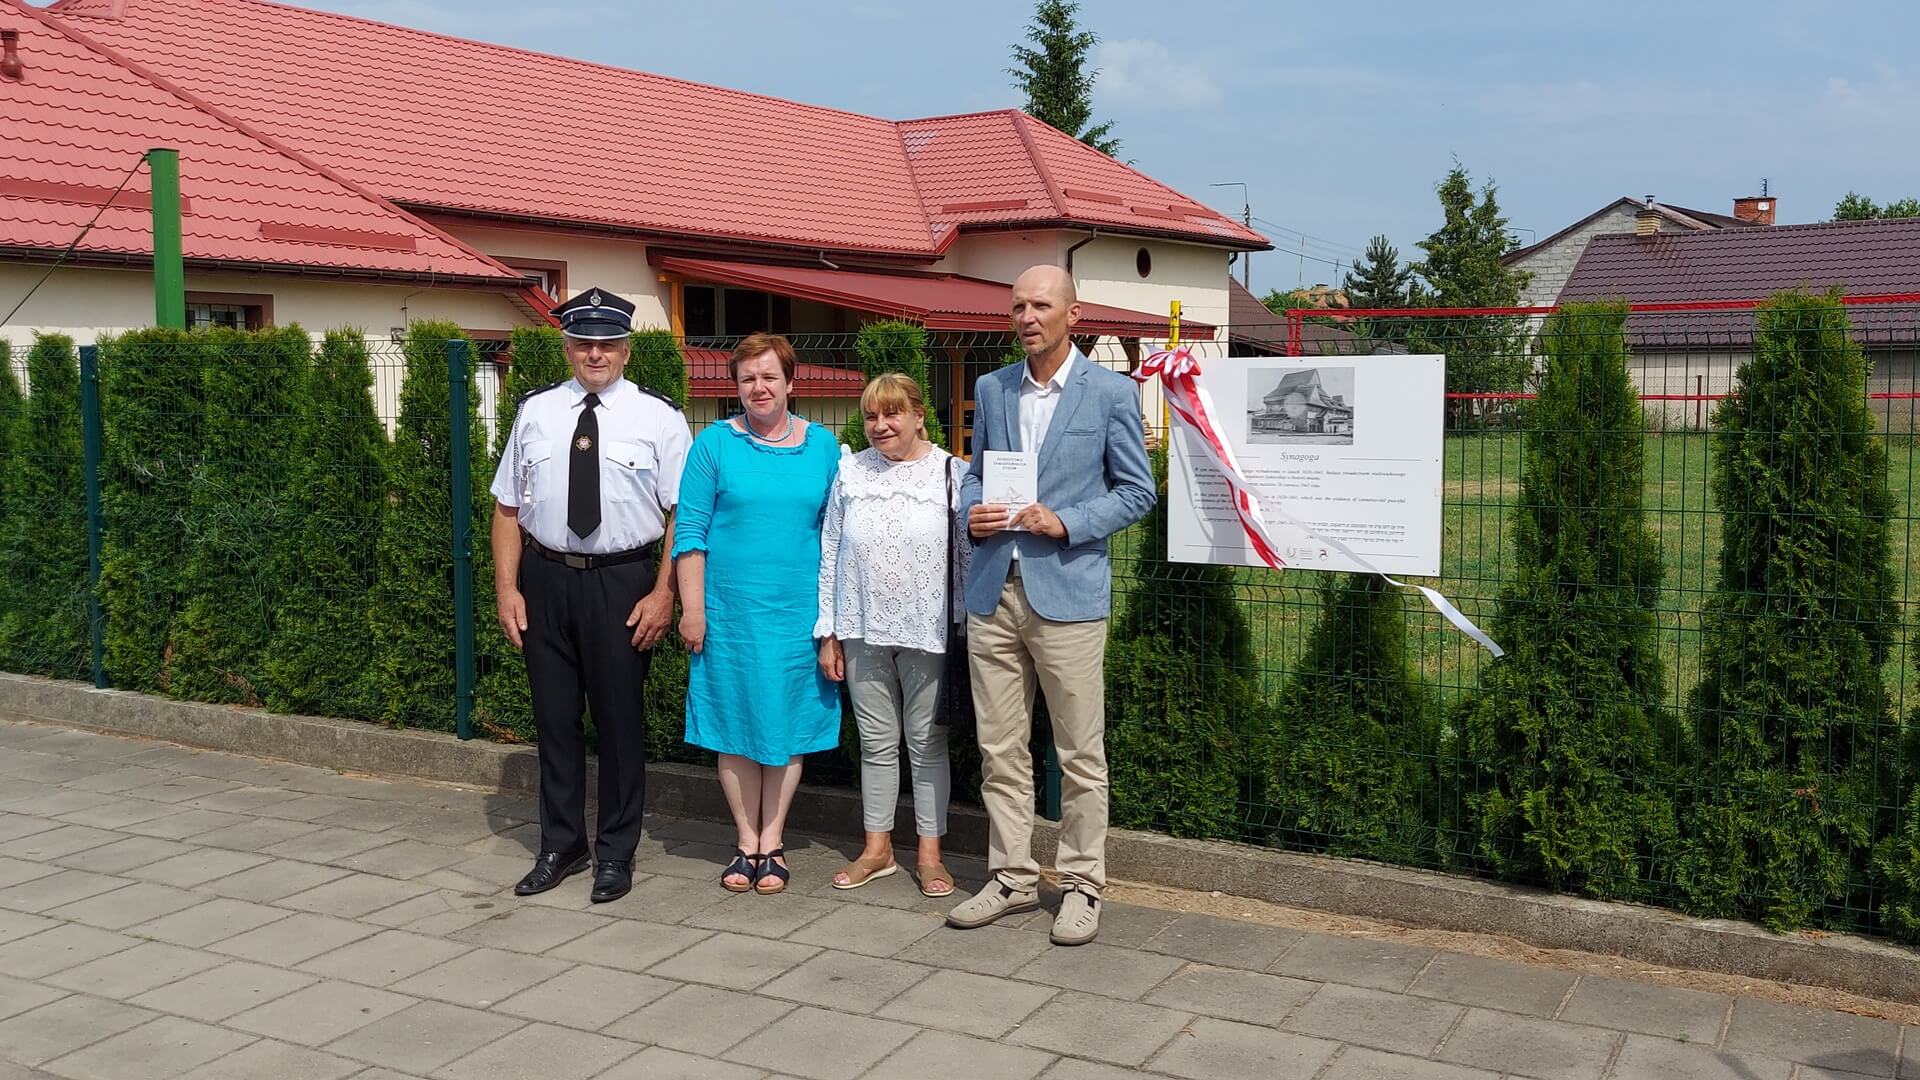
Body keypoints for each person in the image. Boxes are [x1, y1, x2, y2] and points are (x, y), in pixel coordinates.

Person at [946, 264, 1156, 945]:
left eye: (1040, 305)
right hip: (992, 589)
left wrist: (1065, 522)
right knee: (1000, 748)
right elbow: (975, 473)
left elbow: (1136, 491)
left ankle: (1082, 884)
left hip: (1066, 589)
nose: (1026, 316)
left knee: (1078, 753)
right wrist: (971, 508)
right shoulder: (992, 387)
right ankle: (1010, 876)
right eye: (1017, 306)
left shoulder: (1111, 393)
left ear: (1073, 313)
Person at [491, 287, 692, 904]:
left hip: (622, 582)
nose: (595, 353)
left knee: (619, 722)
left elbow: (685, 515)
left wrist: (665, 594)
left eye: (608, 343)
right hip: (547, 579)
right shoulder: (535, 411)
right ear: (568, 346)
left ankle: (615, 852)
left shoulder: (658, 417)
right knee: (553, 721)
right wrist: (507, 589)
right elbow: (506, 508)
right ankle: (561, 844)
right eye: (584, 342)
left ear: (627, 350)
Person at [674, 332, 840, 895]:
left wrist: (831, 624)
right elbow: (690, 533)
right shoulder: (713, 445)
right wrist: (691, 609)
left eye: (769, 376)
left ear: (791, 382)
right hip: (729, 612)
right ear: (736, 386)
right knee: (735, 725)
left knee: (786, 724)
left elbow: (837, 535)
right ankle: (745, 841)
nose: (759, 387)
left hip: (798, 614)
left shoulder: (823, 447)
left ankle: (775, 840)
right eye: (747, 378)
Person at [816, 373, 969, 898]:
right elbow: (830, 553)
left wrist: (968, 627)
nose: (880, 426)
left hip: (928, 631)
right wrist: (828, 630)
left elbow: (967, 558)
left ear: (919, 415)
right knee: (878, 745)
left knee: (927, 744)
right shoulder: (850, 472)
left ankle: (931, 854)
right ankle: (877, 849)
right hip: (862, 628)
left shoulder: (952, 473)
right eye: (871, 417)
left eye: (892, 414)